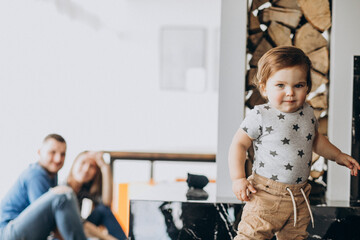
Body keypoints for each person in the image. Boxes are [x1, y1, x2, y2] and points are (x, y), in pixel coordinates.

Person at [228, 46, 360, 240]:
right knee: (251, 236)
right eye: (280, 85)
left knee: (296, 237)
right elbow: (238, 145)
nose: (290, 92)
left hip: (299, 197)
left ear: (307, 87)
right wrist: (238, 178)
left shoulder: (307, 112)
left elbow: (315, 140)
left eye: (298, 85)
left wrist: (338, 155)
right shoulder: (260, 115)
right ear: (264, 87)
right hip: (265, 195)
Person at [0, 134, 87, 240]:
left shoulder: (52, 175)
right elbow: (49, 221)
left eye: (63, 154)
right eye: (52, 152)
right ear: (39, 152)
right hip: (8, 233)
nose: (58, 159)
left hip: (24, 232)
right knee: (63, 196)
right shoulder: (36, 174)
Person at [67, 151, 127, 240]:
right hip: (64, 234)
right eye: (83, 163)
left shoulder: (83, 189)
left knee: (103, 209)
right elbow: (79, 224)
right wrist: (108, 238)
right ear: (74, 164)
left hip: (79, 227)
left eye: (92, 166)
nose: (86, 169)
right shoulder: (64, 189)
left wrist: (104, 167)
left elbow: (106, 203)